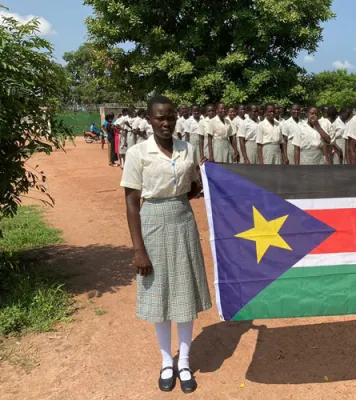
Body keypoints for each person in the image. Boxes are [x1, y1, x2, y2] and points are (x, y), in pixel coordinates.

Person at [120, 95, 211, 394]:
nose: (166, 122)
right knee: (160, 297)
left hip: (183, 220)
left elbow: (192, 189)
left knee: (183, 294)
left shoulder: (188, 148)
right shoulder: (137, 153)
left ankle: (184, 362)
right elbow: (132, 203)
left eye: (170, 116)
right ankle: (165, 363)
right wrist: (139, 249)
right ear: (149, 119)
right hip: (153, 223)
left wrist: (204, 176)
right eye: (160, 117)